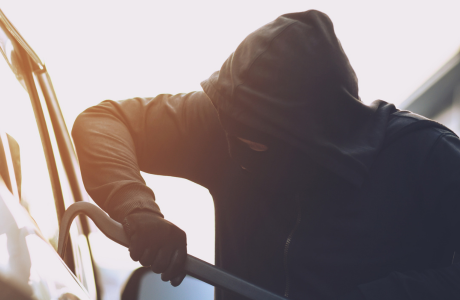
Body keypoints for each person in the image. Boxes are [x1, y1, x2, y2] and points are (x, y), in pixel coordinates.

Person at [71, 10, 460, 300]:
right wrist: (138, 209)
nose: (233, 148)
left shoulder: (426, 156)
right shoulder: (228, 121)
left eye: (252, 141)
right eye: (229, 130)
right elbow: (103, 120)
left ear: (312, 137)